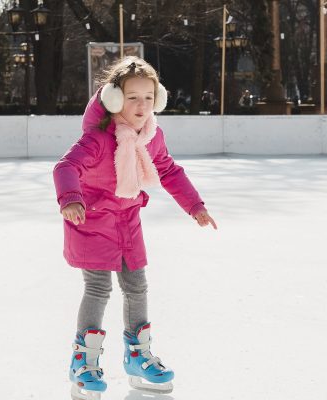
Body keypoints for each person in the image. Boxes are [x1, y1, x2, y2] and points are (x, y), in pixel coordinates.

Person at [53, 56, 217, 400]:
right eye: (131, 97)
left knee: (137, 286)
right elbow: (66, 167)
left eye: (148, 96)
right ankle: (84, 360)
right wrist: (70, 199)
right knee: (98, 288)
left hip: (127, 221)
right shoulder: (98, 139)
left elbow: (169, 171)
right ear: (113, 99)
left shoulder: (150, 137)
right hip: (92, 219)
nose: (141, 105)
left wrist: (195, 206)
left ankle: (137, 355)